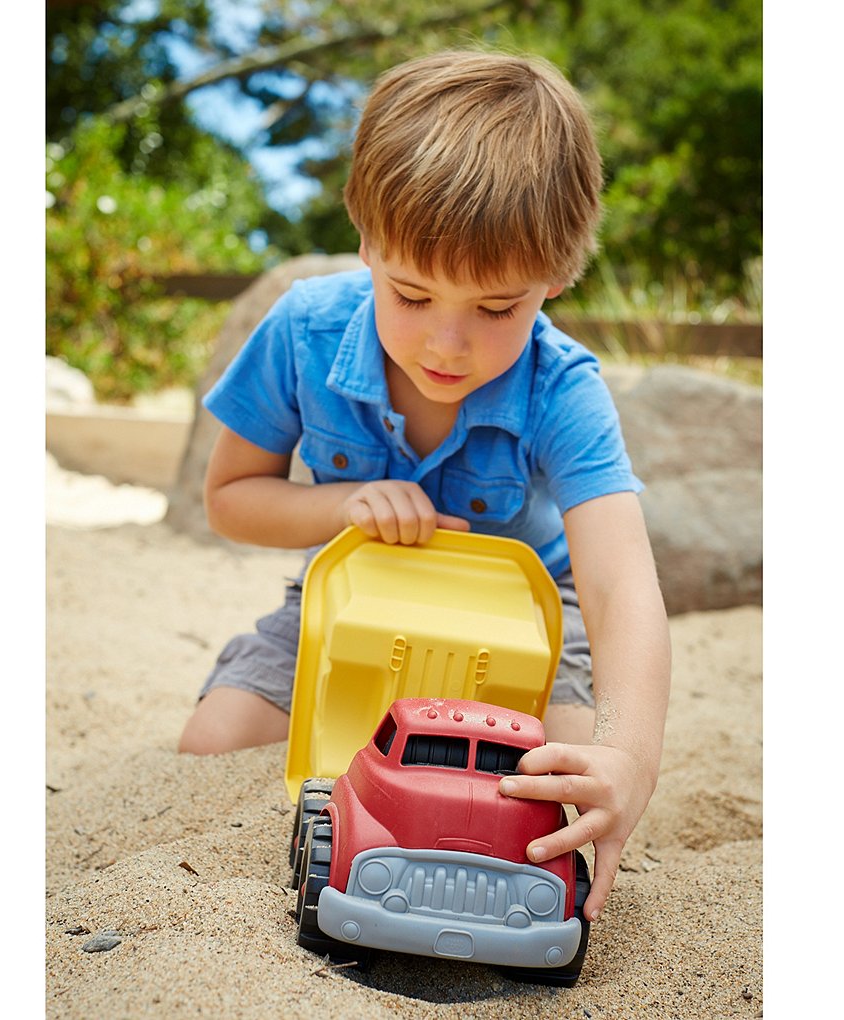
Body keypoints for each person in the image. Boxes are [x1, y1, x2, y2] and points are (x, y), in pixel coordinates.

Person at [178, 48, 671, 923]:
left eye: (496, 310)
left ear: (554, 282)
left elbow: (621, 584)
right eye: (410, 294)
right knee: (209, 747)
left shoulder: (563, 387)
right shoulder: (303, 330)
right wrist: (339, 506)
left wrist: (627, 757)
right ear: (366, 240)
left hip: (524, 623)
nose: (447, 345)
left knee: (572, 774)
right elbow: (230, 499)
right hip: (353, 598)